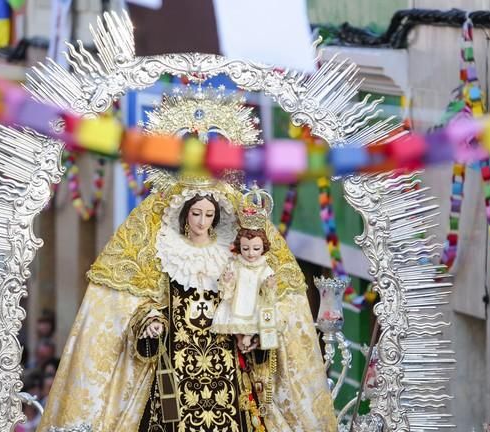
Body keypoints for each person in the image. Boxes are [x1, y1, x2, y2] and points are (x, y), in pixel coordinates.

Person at [38, 88, 336, 431]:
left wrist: (254, 330)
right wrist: (148, 320)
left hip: (229, 372)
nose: (202, 221)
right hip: (172, 377)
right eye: (196, 212)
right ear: (185, 214)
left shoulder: (236, 247)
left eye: (209, 214)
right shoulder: (155, 239)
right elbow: (126, 306)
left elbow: (265, 303)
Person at [211, 191, 278, 353]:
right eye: (245, 248)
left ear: (263, 248)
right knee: (232, 318)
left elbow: (269, 293)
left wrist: (269, 285)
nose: (251, 253)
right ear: (239, 247)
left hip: (253, 302)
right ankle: (240, 338)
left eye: (256, 248)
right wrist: (227, 280)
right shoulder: (235, 264)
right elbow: (227, 288)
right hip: (238, 302)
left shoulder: (264, 267)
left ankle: (247, 337)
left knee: (256, 316)